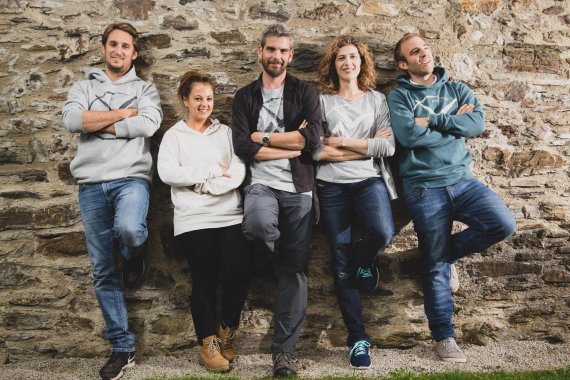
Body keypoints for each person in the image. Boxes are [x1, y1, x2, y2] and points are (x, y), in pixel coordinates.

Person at [387, 33, 516, 363]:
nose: (423, 55)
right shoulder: (399, 97)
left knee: (502, 223)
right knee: (434, 266)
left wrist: (432, 119)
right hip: (423, 187)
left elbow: (476, 123)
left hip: (463, 181)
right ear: (403, 63)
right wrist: (453, 123)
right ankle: (444, 337)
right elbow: (407, 135)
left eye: (425, 48)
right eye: (415, 53)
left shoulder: (457, 89)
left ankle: (445, 257)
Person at [61, 22, 162, 380]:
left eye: (126, 46)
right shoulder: (83, 85)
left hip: (131, 179)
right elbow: (72, 119)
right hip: (91, 184)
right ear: (104, 48)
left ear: (134, 53)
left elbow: (148, 125)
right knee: (103, 270)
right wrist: (122, 114)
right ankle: (122, 346)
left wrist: (95, 122)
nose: (118, 51)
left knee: (131, 231)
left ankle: (134, 258)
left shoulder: (145, 89)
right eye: (113, 45)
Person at [231, 23, 323, 378]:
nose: (276, 56)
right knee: (256, 224)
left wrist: (263, 138)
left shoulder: (304, 92)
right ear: (260, 52)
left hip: (298, 189)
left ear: (291, 55)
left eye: (283, 51)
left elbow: (312, 140)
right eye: (271, 49)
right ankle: (281, 262)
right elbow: (242, 145)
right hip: (261, 187)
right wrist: (288, 142)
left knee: (296, 274)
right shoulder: (245, 96)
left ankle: (284, 353)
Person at [157, 71, 250, 373]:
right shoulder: (174, 136)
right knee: (205, 281)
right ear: (185, 100)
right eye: (198, 98)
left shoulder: (225, 133)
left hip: (228, 214)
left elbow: (237, 172)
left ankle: (226, 331)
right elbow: (168, 173)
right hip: (193, 218)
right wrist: (211, 170)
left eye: (209, 98)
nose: (204, 104)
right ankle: (207, 344)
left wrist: (202, 183)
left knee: (239, 271)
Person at [314, 35, 397, 369]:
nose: (348, 63)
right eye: (341, 59)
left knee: (382, 231)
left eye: (353, 57)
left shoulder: (377, 100)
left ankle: (365, 261)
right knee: (340, 263)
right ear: (333, 66)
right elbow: (316, 150)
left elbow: (388, 148)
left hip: (368, 181)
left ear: (363, 62)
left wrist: (344, 143)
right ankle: (357, 339)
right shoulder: (321, 102)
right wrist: (365, 144)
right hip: (331, 188)